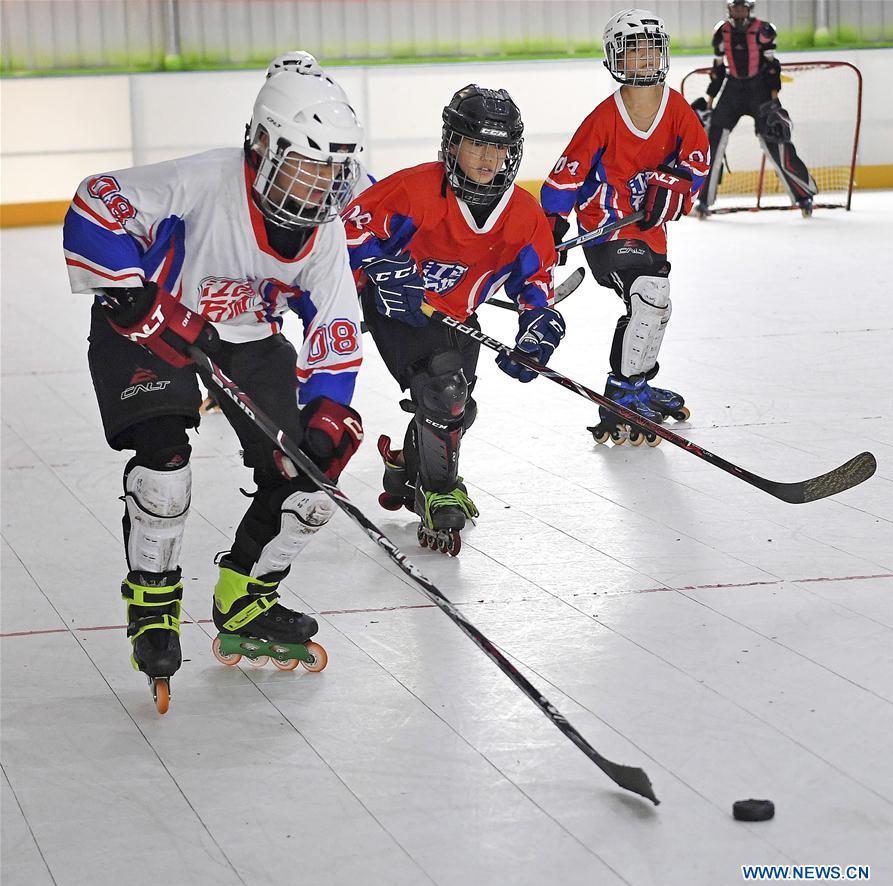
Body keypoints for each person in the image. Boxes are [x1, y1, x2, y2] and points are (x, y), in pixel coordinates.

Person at [62, 64, 366, 712]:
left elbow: (334, 319)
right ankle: (152, 597)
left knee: (310, 480)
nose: (316, 187)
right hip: (153, 320)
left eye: (328, 171)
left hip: (246, 335)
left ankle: (245, 596)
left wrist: (329, 410)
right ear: (258, 145)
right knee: (165, 466)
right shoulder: (204, 179)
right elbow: (95, 201)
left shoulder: (325, 231)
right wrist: (125, 291)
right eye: (301, 165)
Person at [342, 84, 563, 556]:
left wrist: (539, 322)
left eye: (500, 146)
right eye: (478, 143)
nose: (489, 157)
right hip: (398, 311)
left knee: (456, 409)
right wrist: (380, 268)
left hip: (456, 316)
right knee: (444, 390)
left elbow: (535, 278)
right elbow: (348, 231)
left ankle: (406, 467)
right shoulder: (415, 188)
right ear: (452, 144)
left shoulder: (522, 213)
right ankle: (440, 490)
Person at [541, 8, 709, 446]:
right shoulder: (603, 118)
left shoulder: (677, 110)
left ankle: (635, 383)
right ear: (616, 59)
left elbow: (697, 163)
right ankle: (624, 389)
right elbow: (567, 174)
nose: (645, 60)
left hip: (649, 230)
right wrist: (552, 224)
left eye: (652, 50)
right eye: (634, 52)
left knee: (656, 304)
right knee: (649, 296)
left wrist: (679, 184)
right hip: (606, 228)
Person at [200, 49, 376, 414]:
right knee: (255, 302)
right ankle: (232, 376)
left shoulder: (332, 151)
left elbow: (369, 206)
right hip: (283, 250)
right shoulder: (275, 142)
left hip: (321, 251)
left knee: (314, 308)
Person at [694, 0, 817, 217]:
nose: (739, 11)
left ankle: (803, 196)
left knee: (776, 139)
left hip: (759, 91)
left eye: (743, 7)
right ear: (729, 9)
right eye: (735, 7)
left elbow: (772, 67)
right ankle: (703, 200)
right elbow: (718, 70)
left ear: (749, 9)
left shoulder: (764, 30)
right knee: (712, 140)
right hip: (732, 89)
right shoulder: (721, 32)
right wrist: (710, 102)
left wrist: (774, 100)